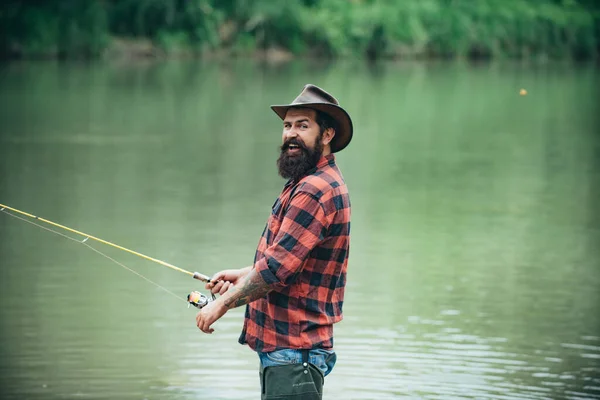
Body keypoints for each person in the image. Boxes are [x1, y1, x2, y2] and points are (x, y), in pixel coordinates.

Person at [195, 84, 353, 399]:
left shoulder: (314, 189)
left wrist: (220, 305)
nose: (291, 134)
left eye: (303, 126)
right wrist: (245, 274)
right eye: (287, 125)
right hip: (289, 351)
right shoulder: (306, 182)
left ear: (326, 135)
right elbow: (287, 259)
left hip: (294, 352)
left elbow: (276, 270)